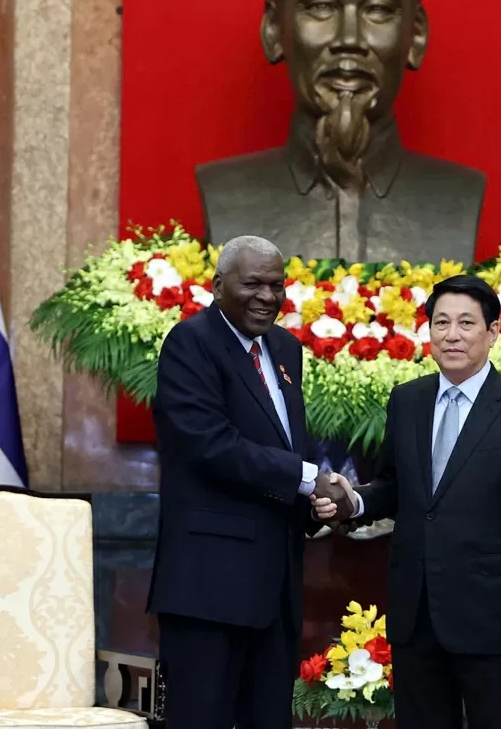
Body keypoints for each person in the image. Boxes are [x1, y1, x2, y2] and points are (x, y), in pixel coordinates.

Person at [315, 273, 501, 729]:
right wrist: (355, 503)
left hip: (494, 620)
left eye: (466, 323)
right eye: (441, 322)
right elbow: (394, 486)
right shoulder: (407, 401)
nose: (452, 334)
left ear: (492, 332)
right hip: (416, 615)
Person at [195, 0, 485, 266]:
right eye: (320, 6)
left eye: (377, 10)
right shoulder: (225, 193)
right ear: (274, 30)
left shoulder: (460, 195)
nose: (350, 38)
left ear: (415, 36)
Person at [147, 234, 353, 729]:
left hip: (275, 587)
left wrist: (315, 504)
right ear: (218, 286)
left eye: (277, 285)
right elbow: (209, 443)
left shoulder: (285, 348)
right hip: (209, 587)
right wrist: (308, 480)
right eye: (252, 284)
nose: (267, 296)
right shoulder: (191, 343)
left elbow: (283, 449)